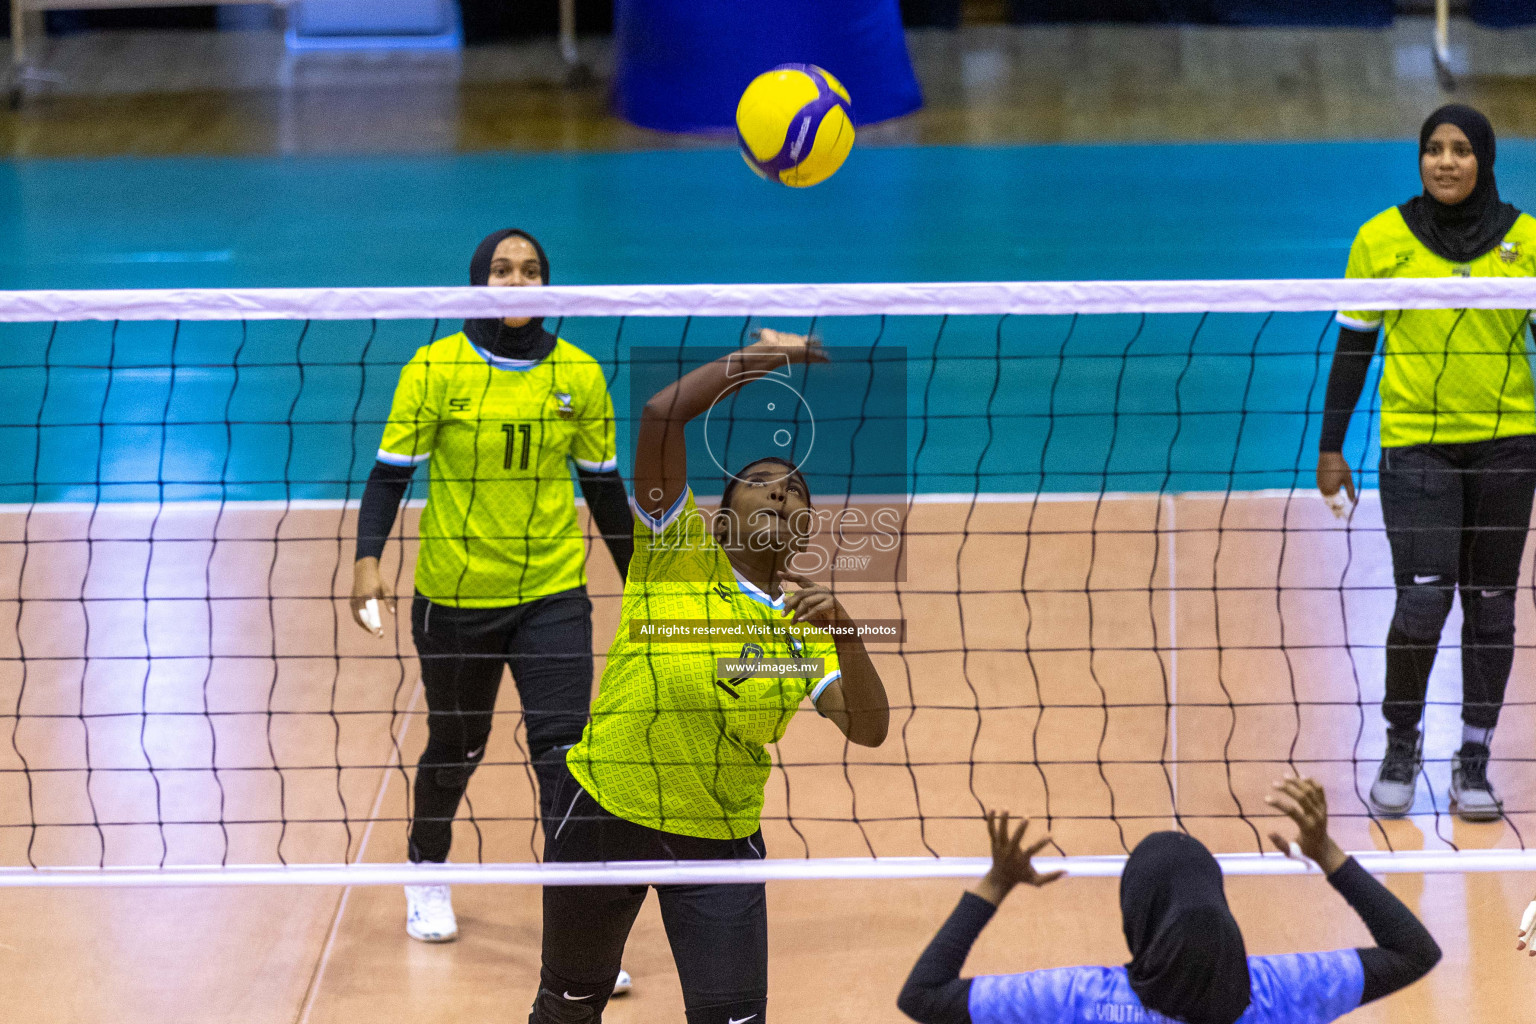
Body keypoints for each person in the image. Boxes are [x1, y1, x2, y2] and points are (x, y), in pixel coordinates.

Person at [528, 329, 892, 1024]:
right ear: (722, 520)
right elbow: (663, 415)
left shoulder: (801, 629)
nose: (781, 497)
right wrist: (762, 360)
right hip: (605, 807)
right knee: (568, 1006)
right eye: (761, 487)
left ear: (806, 529)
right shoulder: (675, 550)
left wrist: (847, 635)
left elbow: (868, 731)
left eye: (795, 495)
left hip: (716, 835)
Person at [350, 228, 634, 968]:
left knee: (567, 757)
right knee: (458, 746)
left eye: (531, 270)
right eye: (502, 270)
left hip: (552, 594)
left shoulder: (578, 373)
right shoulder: (436, 367)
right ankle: (426, 869)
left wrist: (646, 588)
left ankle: (583, 932)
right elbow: (389, 476)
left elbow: (603, 489)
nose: (516, 281)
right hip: (455, 598)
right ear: (478, 281)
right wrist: (366, 560)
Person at [1317, 103, 1536, 822]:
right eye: (1434, 149)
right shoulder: (1381, 239)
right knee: (1421, 601)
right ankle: (1401, 742)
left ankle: (1474, 755)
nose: (1446, 162)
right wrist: (1330, 445)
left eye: (1461, 150)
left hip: (1509, 444)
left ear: (1485, 159)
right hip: (1416, 445)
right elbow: (1355, 346)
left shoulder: (1527, 240)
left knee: (1493, 607)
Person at [898, 777, 1440, 1024]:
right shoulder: (1284, 995)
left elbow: (922, 996)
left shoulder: (1078, 1000)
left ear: (1139, 918)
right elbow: (1415, 952)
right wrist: (1329, 858)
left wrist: (995, 884)